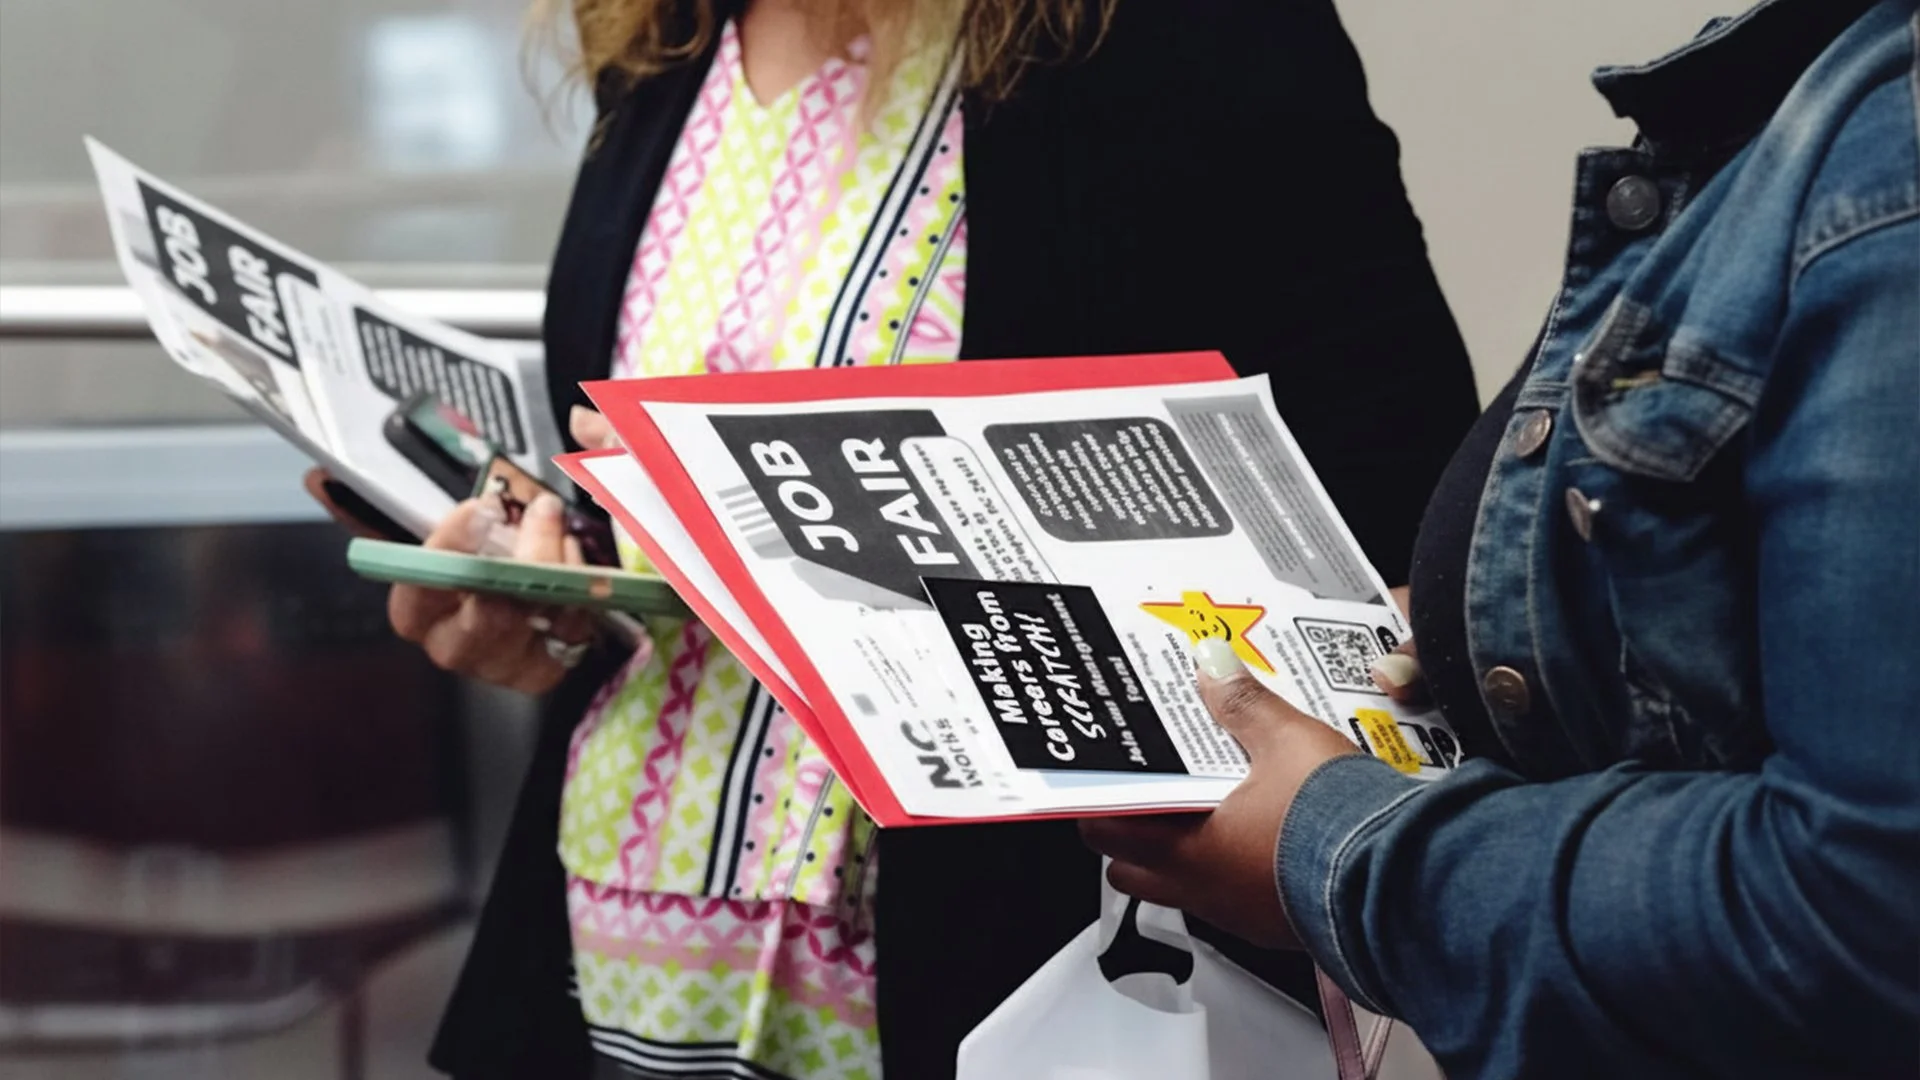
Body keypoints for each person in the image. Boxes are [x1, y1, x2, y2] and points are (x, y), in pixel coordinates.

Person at [391, 0, 1481, 1077]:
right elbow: (632, 490)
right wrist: (548, 589)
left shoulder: (1191, 32)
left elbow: (1393, 517)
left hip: (1004, 976)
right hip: (623, 942)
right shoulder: (664, 40)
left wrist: (809, 525)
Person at [1084, 1, 1920, 1076]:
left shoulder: (1885, 175)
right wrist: (1526, 615)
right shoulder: (1835, 88)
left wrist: (1341, 850)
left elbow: (1855, 916)